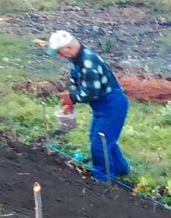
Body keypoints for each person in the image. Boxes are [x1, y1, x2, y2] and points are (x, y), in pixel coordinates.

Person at [47, 30, 131, 182]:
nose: (60, 56)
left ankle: (103, 179)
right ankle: (121, 169)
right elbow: (75, 82)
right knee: (100, 138)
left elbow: (91, 92)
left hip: (111, 104)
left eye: (60, 52)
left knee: (100, 144)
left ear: (69, 48)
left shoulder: (88, 62)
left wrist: (71, 97)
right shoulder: (78, 60)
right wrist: (70, 99)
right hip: (102, 105)